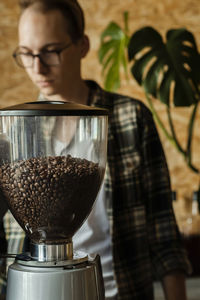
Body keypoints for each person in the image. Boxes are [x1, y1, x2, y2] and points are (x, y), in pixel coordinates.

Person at [0, 0, 191, 299]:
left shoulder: (130, 118)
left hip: (122, 291)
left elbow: (163, 231)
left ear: (83, 45)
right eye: (26, 53)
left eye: (51, 51)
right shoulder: (13, 132)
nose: (37, 66)